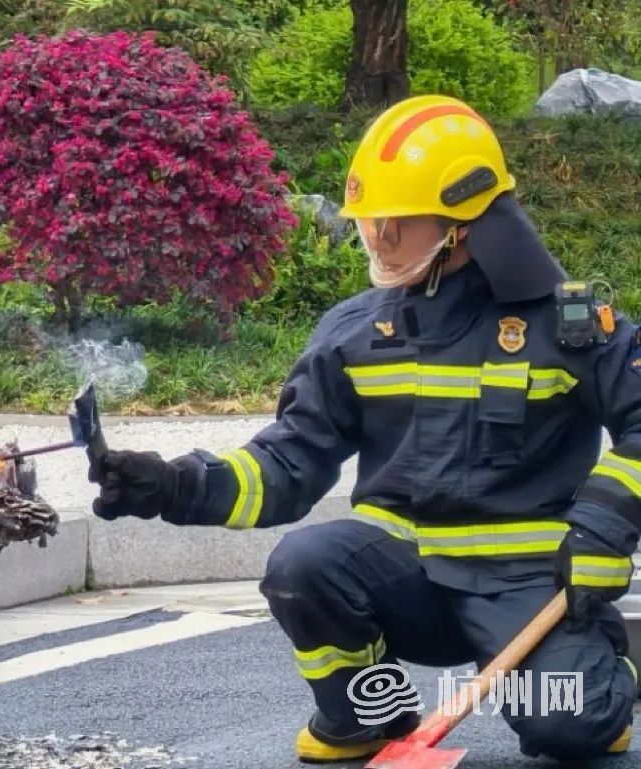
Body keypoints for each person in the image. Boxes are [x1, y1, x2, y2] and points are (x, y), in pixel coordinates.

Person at [87, 94, 639, 763]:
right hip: (404, 579)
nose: (376, 237)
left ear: (464, 219)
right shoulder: (354, 332)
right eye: (370, 221)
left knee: (570, 725)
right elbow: (286, 466)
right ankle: (367, 713)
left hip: (527, 586)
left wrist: (602, 530)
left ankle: (609, 664)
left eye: (394, 222)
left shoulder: (568, 326)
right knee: (303, 564)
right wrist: (172, 486)